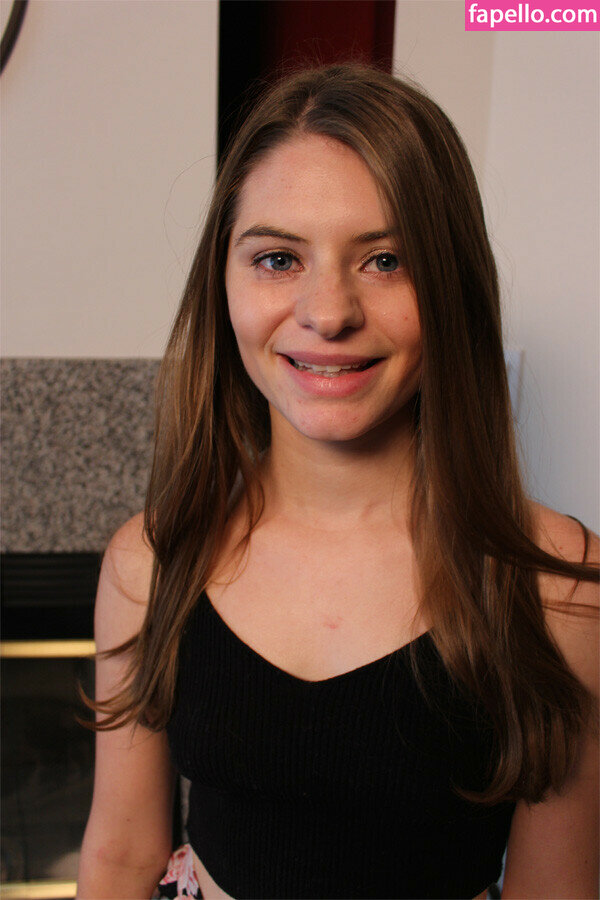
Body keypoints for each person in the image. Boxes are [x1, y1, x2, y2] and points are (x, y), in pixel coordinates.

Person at [76, 63, 599, 900]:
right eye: (278, 258)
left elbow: (557, 889)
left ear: (453, 284)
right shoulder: (152, 562)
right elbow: (119, 854)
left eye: (386, 260)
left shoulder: (560, 588)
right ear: (222, 284)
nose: (328, 312)